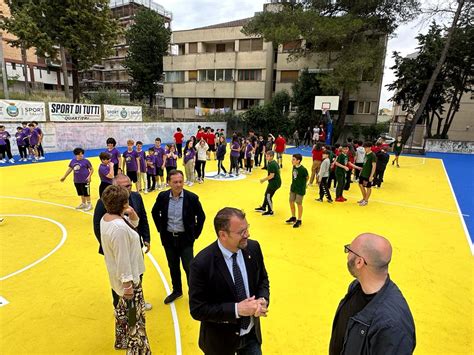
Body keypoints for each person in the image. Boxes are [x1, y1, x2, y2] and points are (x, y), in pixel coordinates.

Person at [189, 207, 270, 355]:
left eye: (247, 229)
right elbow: (197, 310)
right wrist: (237, 310)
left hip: (251, 337)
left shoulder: (253, 248)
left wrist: (262, 299)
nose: (247, 234)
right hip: (220, 345)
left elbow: (262, 280)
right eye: (241, 232)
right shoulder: (201, 264)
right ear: (223, 235)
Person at [329, 233, 416, 355]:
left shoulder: (391, 327)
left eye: (349, 250)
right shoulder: (356, 287)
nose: (347, 255)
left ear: (359, 262)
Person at [99, 185, 151, 353]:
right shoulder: (119, 228)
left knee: (123, 315)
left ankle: (121, 341)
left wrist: (133, 214)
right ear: (123, 203)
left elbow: (133, 225)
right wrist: (128, 286)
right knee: (135, 320)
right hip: (129, 281)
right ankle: (138, 350)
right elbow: (122, 258)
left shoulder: (108, 218)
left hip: (118, 278)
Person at [93, 174, 152, 310]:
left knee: (137, 276)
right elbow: (123, 261)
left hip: (133, 249)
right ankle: (121, 306)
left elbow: (139, 220)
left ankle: (137, 302)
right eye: (124, 187)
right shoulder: (116, 224)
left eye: (129, 185)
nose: (128, 189)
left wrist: (146, 238)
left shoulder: (127, 206)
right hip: (121, 253)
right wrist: (128, 287)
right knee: (129, 314)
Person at [151, 170, 205, 304]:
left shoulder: (192, 198)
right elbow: (154, 212)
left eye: (181, 181)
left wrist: (195, 234)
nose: (178, 185)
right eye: (175, 182)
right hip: (168, 239)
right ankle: (177, 291)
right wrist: (161, 230)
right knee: (173, 266)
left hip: (185, 239)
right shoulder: (162, 197)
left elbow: (201, 216)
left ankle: (194, 294)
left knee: (189, 267)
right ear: (168, 182)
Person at [255, 150, 281, 216]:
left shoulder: (272, 164)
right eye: (266, 155)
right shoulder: (271, 162)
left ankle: (270, 211)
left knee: (268, 196)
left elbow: (272, 175)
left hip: (274, 183)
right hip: (274, 182)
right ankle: (263, 207)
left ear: (272, 157)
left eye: (268, 156)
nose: (266, 157)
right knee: (266, 195)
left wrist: (263, 180)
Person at [286, 153, 309, 228]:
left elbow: (307, 177)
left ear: (298, 161)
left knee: (298, 203)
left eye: (293, 159)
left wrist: (304, 185)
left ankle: (299, 219)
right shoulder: (294, 166)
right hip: (293, 187)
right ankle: (293, 217)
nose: (292, 161)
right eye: (292, 159)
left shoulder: (303, 169)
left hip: (300, 189)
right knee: (291, 201)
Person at [352, 142, 377, 206]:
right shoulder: (366, 154)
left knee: (368, 187)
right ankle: (364, 198)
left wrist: (371, 176)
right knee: (360, 184)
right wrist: (361, 171)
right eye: (364, 147)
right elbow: (364, 164)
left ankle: (366, 200)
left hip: (368, 174)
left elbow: (374, 166)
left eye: (366, 147)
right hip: (363, 173)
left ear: (370, 147)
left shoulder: (373, 155)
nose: (365, 149)